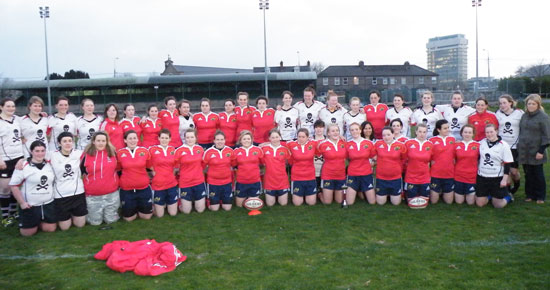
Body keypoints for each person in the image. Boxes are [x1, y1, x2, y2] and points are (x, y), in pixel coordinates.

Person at [9, 141, 56, 236]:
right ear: (31, 152)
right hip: (31, 205)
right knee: (27, 234)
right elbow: (13, 186)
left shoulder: (50, 163)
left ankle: (39, 220)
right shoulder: (23, 165)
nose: (40, 153)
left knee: (50, 229)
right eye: (37, 151)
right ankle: (33, 221)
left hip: (48, 204)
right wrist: (22, 203)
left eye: (43, 150)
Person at [49, 132, 87, 230]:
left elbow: (95, 151)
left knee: (80, 225)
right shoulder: (51, 155)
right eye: (64, 141)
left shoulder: (79, 153)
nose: (68, 143)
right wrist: (22, 160)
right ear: (59, 143)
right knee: (65, 228)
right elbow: (36, 157)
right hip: (61, 195)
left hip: (78, 192)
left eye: (70, 141)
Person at [81, 131, 120, 225]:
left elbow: (118, 169)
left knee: (111, 221)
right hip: (93, 195)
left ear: (107, 142)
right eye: (98, 140)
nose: (101, 143)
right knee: (95, 222)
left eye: (103, 141)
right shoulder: (86, 155)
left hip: (111, 193)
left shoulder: (113, 153)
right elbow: (81, 172)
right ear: (93, 141)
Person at [517, 94, 550, 204]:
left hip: (536, 150)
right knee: (528, 173)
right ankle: (529, 194)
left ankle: (540, 196)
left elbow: (547, 136)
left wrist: (541, 150)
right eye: (529, 103)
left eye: (533, 104)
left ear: (538, 104)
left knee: (537, 174)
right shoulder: (525, 116)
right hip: (524, 150)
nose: (531, 106)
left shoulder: (543, 117)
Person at [117, 130, 152, 221]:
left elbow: (149, 167)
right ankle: (132, 207)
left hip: (143, 188)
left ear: (138, 139)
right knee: (129, 219)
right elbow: (118, 169)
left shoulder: (144, 151)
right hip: (127, 190)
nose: (132, 140)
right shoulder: (120, 153)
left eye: (134, 138)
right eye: (130, 138)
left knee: (146, 217)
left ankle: (140, 207)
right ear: (125, 140)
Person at [0, 98, 25, 226]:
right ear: (1, 107)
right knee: (5, 188)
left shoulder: (17, 119)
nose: (11, 108)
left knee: (15, 186)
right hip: (5, 159)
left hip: (18, 157)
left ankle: (13, 212)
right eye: (8, 106)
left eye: (13, 106)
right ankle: (5, 216)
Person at [476, 124, 514, 208]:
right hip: (482, 177)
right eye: (487, 132)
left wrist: (504, 180)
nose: (489, 134)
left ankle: (508, 197)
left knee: (498, 205)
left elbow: (507, 164)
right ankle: (490, 195)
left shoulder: (504, 145)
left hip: (496, 178)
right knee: (480, 204)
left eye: (491, 132)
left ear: (496, 131)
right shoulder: (482, 142)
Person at [495, 94, 523, 194]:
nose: (502, 105)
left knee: (514, 172)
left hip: (515, 147)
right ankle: (508, 191)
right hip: (502, 146)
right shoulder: (497, 113)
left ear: (510, 103)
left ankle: (516, 185)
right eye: (500, 103)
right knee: (505, 171)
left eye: (504, 103)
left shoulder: (519, 113)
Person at [175, 129, 206, 214]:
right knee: (186, 211)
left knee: (200, 210)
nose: (190, 139)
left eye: (192, 137)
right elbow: (175, 167)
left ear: (196, 138)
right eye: (187, 137)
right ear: (184, 138)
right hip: (185, 183)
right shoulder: (179, 151)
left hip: (198, 181)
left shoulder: (200, 149)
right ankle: (180, 202)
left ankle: (197, 201)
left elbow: (203, 164)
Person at [148, 129, 178, 217]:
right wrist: (153, 172)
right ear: (159, 138)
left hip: (171, 183)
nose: (164, 140)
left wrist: (172, 174)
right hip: (158, 185)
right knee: (159, 215)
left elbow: (176, 165)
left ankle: (170, 203)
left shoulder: (173, 150)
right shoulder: (152, 149)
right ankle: (156, 206)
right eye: (162, 138)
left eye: (166, 138)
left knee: (173, 213)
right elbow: (147, 164)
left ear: (170, 139)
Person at [373, 127, 407, 205]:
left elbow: (404, 159)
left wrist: (398, 169)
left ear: (393, 134)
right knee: (380, 203)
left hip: (395, 178)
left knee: (396, 203)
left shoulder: (400, 145)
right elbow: (373, 155)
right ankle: (385, 194)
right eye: (384, 135)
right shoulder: (378, 144)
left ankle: (392, 194)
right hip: (381, 178)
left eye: (388, 134)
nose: (386, 137)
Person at [203, 131, 235, 211]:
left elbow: (233, 164)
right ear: (214, 140)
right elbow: (203, 167)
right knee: (214, 209)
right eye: (217, 139)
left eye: (222, 139)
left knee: (227, 208)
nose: (220, 141)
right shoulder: (208, 152)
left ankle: (221, 199)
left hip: (227, 182)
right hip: (213, 183)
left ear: (225, 140)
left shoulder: (230, 151)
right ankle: (210, 200)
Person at [346, 122, 375, 205]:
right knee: (349, 203)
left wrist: (372, 165)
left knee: (372, 202)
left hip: (366, 173)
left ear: (360, 130)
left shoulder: (369, 143)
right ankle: (358, 191)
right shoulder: (348, 144)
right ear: (350, 132)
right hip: (353, 174)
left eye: (356, 129)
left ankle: (360, 191)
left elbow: (374, 158)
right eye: (352, 130)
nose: (354, 131)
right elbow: (347, 158)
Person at [317, 124, 347, 205]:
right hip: (328, 175)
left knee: (339, 201)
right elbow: (313, 152)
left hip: (340, 175)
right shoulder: (322, 144)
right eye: (333, 131)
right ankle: (319, 194)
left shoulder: (344, 142)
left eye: (337, 131)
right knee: (327, 202)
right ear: (328, 133)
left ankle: (332, 192)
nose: (335, 132)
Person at [287, 128, 318, 206]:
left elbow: (325, 141)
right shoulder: (291, 144)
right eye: (299, 136)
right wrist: (264, 143)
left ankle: (319, 194)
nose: (301, 139)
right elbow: (276, 142)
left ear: (308, 137)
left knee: (311, 203)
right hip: (297, 177)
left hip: (310, 176)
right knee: (297, 203)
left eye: (303, 137)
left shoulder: (313, 144)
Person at [261, 129, 291, 206]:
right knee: (270, 204)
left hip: (282, 180)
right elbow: (261, 163)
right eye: (273, 137)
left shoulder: (285, 149)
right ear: (269, 138)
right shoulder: (264, 149)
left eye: (277, 137)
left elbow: (288, 162)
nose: (275, 139)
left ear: (280, 137)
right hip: (269, 181)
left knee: (283, 204)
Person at [403, 124, 433, 203]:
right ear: (416, 132)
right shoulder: (408, 143)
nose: (422, 134)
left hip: (424, 177)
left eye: (424, 132)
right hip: (411, 177)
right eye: (420, 131)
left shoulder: (430, 145)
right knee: (411, 201)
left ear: (427, 133)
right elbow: (403, 158)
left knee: (424, 200)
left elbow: (432, 160)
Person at [233, 130, 263, 207]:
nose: (246, 141)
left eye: (248, 139)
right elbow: (234, 164)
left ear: (251, 139)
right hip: (241, 182)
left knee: (253, 206)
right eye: (244, 139)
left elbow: (262, 163)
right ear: (240, 140)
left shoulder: (258, 150)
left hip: (255, 181)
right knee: (239, 206)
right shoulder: (236, 151)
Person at [429, 119, 456, 204]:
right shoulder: (431, 140)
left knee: (449, 202)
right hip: (435, 173)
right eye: (445, 128)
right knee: (434, 201)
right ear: (438, 129)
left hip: (449, 173)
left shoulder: (452, 139)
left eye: (448, 127)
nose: (447, 129)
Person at [453, 124, 479, 205]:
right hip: (458, 176)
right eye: (465, 132)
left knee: (470, 203)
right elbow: (453, 160)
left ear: (473, 134)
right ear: (462, 133)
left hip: (471, 176)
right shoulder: (456, 145)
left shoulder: (478, 145)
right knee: (459, 202)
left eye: (469, 132)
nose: (467, 134)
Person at [312, 120, 326, 193]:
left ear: (324, 128)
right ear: (314, 128)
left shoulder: (328, 139)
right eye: (317, 127)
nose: (319, 129)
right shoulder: (310, 140)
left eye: (321, 127)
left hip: (325, 168)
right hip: (313, 169)